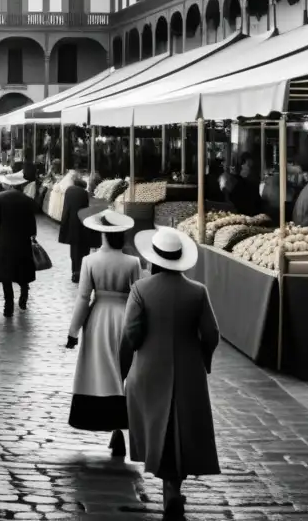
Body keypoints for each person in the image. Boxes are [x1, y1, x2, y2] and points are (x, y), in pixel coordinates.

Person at [121, 227, 220, 517]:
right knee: (182, 430)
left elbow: (131, 332)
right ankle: (173, 487)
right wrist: (203, 360)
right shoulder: (198, 291)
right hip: (189, 370)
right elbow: (212, 333)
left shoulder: (141, 289)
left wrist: (127, 364)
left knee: (157, 427)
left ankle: (169, 489)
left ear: (154, 258)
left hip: (150, 368)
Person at [65, 210, 141, 457]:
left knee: (101, 370)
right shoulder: (132, 263)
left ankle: (104, 421)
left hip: (98, 318)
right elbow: (137, 297)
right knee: (121, 372)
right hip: (125, 316)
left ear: (102, 233)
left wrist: (73, 332)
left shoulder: (90, 261)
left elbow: (83, 298)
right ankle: (119, 427)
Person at [0, 173, 37, 317]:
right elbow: (32, 222)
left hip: (5, 241)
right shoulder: (28, 201)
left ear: (9, 185)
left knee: (6, 274)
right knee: (23, 272)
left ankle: (8, 306)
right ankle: (23, 300)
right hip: (23, 241)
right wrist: (32, 236)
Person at [58, 175, 93, 284]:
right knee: (83, 251)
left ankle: (74, 272)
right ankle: (81, 273)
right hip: (83, 225)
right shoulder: (84, 194)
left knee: (74, 251)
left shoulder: (69, 191)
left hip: (71, 224)